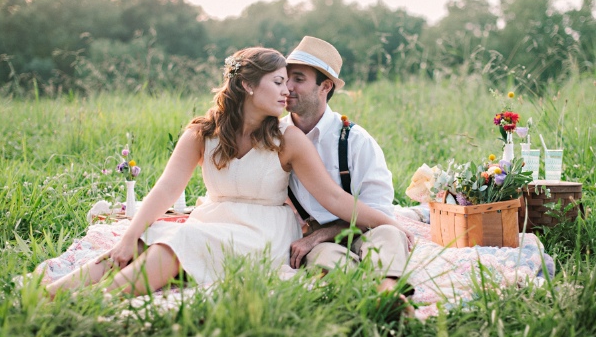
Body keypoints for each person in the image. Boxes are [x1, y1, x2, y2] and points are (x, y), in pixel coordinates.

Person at [46, 47, 414, 298]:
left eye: (292, 81)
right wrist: (128, 235)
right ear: (247, 84)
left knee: (179, 243)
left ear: (326, 86)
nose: (287, 92)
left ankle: (93, 303)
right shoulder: (201, 133)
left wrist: (395, 225)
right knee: (144, 240)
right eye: (279, 82)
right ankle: (50, 294)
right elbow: (164, 191)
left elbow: (335, 198)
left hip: (262, 234)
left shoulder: (289, 138)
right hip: (215, 219)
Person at [282, 36, 412, 295]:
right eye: (284, 78)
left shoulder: (355, 140)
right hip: (315, 241)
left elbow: (378, 212)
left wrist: (322, 233)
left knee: (390, 235)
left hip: (365, 229)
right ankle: (362, 296)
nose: (287, 87)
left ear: (325, 87)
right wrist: (315, 237)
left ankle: (390, 296)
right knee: (327, 261)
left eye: (298, 79)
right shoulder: (276, 137)